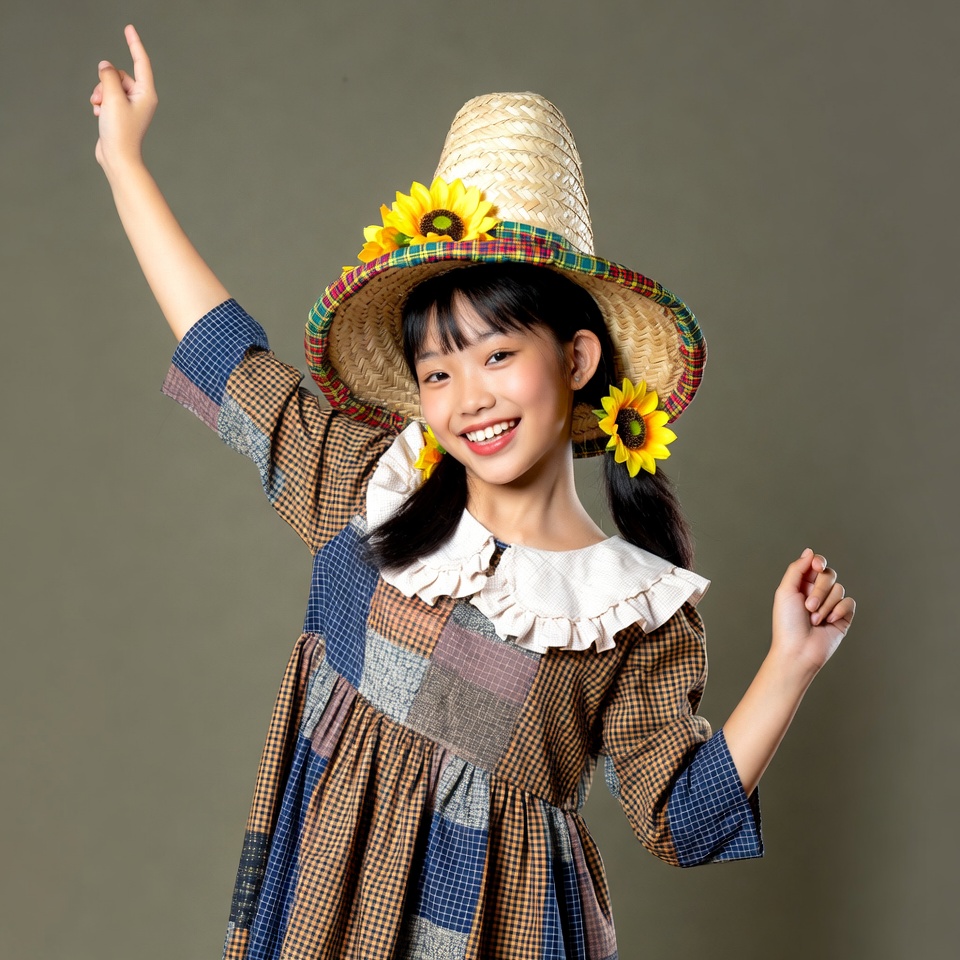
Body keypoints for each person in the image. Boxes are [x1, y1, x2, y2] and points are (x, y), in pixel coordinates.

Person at [91, 24, 856, 960]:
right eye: (438, 372)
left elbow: (685, 823)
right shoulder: (366, 494)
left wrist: (792, 662)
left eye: (498, 356)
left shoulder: (628, 614)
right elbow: (225, 356)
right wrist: (125, 161)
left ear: (576, 359)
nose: (470, 399)